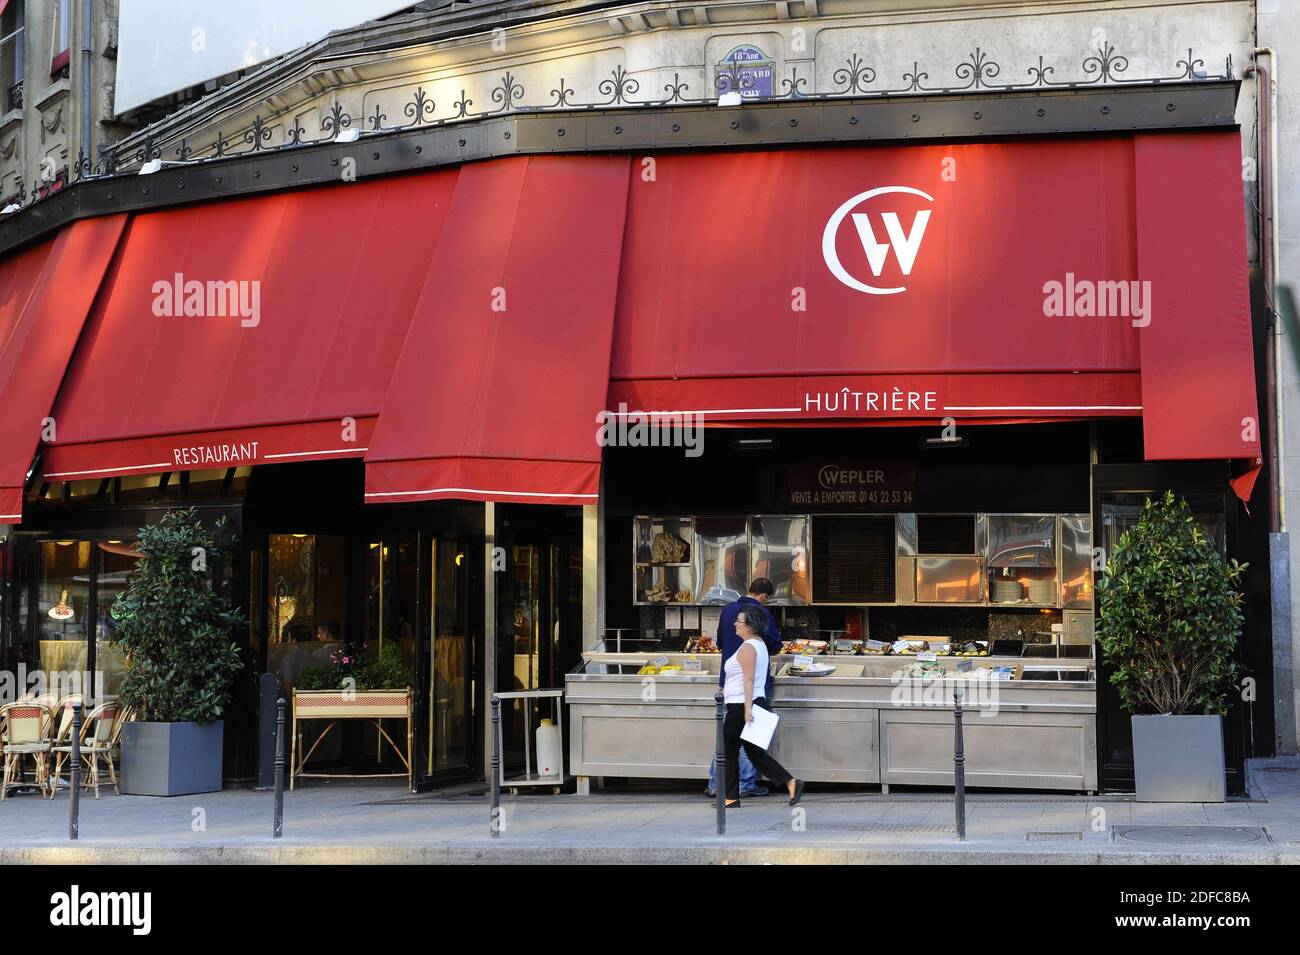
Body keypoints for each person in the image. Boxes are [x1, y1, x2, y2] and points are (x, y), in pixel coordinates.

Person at [706, 578, 784, 797]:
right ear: (764, 597)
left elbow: (719, 643)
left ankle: (716, 782)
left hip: (728, 682)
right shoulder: (759, 613)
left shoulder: (727, 610)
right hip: (751, 686)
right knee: (748, 737)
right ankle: (744, 784)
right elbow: (776, 645)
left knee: (728, 738)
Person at [722, 605, 803, 809]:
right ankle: (790, 781)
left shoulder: (749, 647)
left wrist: (747, 708)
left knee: (729, 750)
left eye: (739, 621)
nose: (735, 624)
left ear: (750, 625)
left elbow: (748, 678)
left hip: (741, 705)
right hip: (749, 702)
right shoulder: (758, 644)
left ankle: (730, 797)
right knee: (754, 752)